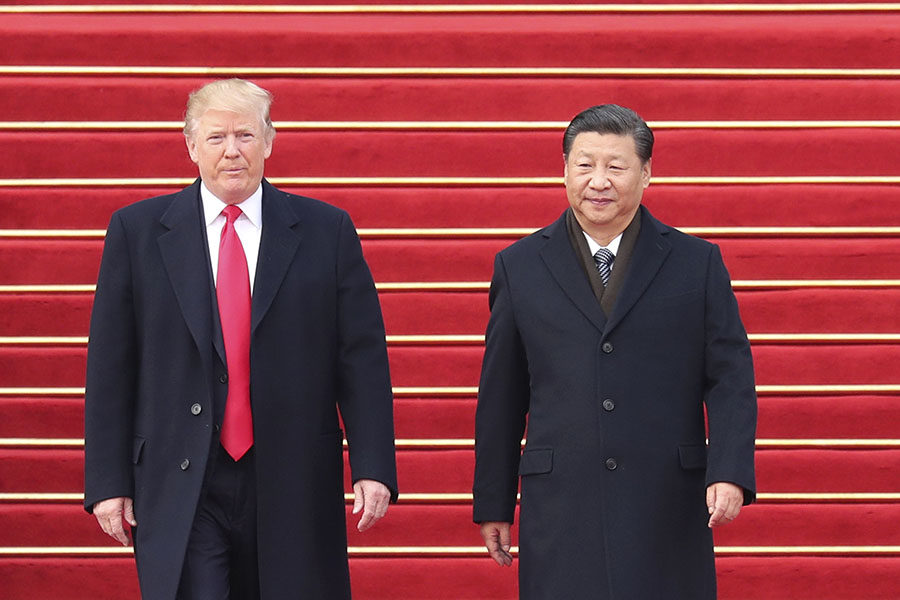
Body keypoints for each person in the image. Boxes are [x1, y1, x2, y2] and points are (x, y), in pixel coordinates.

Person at [84, 78, 397, 599]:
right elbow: (111, 367)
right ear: (191, 146)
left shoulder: (326, 231)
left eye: (246, 136)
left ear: (269, 142)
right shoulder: (136, 233)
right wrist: (108, 482)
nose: (233, 151)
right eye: (216, 137)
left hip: (290, 472)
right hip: (180, 474)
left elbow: (361, 358)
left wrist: (372, 466)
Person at [473, 104, 757, 599]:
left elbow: (731, 377)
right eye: (584, 165)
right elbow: (502, 394)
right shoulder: (520, 267)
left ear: (646, 174)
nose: (598, 181)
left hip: (665, 497)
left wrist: (729, 471)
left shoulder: (696, 263)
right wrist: (495, 502)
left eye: (616, 166)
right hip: (562, 502)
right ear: (564, 169)